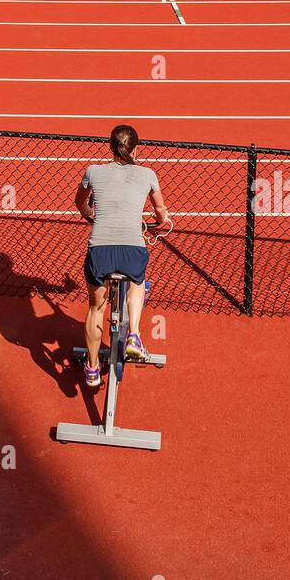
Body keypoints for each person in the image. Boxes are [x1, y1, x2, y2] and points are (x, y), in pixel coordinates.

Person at [73, 124, 171, 388]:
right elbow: (160, 211)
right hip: (131, 250)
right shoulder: (148, 174)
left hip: (100, 252)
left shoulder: (93, 171)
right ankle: (135, 336)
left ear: (110, 147)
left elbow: (79, 202)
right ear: (136, 148)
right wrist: (161, 219)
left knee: (96, 308)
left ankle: (92, 369)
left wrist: (89, 214)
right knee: (137, 282)